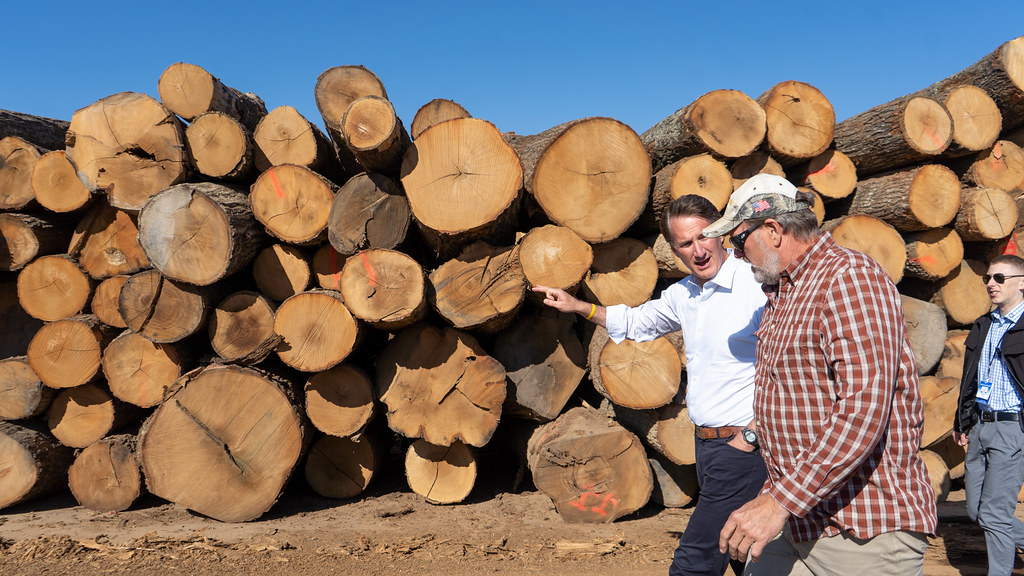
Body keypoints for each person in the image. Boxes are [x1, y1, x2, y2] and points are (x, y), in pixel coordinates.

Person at [704, 173, 937, 575]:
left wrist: (779, 502)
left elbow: (862, 408)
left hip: (862, 528)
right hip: (800, 517)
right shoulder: (784, 294)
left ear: (773, 230)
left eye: (739, 241)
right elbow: (802, 395)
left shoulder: (847, 278)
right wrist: (756, 436)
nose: (738, 256)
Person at [534, 194, 768, 576]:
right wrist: (579, 307)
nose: (698, 250)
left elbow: (790, 364)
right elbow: (638, 321)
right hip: (706, 444)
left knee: (696, 559)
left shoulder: (754, 284)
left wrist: (755, 434)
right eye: (686, 244)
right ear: (674, 251)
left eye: (704, 237)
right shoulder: (685, 294)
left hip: (745, 445)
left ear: (720, 233)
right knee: (743, 551)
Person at [953, 254, 1024, 575]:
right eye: (988, 278)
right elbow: (970, 376)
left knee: (995, 513)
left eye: (999, 278)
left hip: (1012, 429)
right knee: (976, 511)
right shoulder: (985, 323)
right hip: (980, 425)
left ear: (1021, 284)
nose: (991, 284)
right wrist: (962, 420)